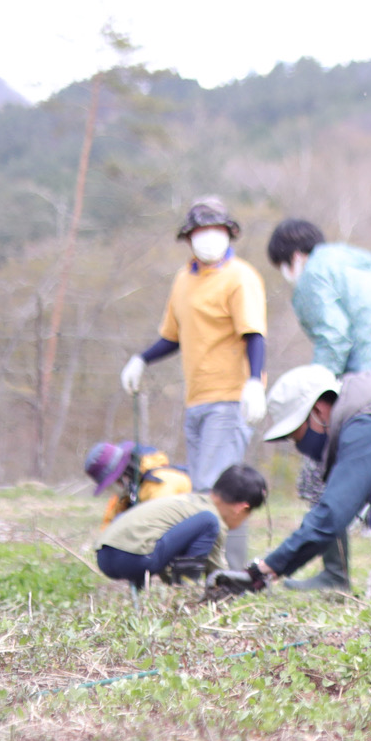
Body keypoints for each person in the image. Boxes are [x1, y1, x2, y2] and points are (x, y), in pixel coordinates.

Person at [266, 218, 371, 589]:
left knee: (320, 470)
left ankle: (335, 575)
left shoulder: (314, 273)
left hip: (368, 388)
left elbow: (333, 336)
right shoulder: (363, 265)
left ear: (293, 257)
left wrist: (316, 390)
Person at [118, 196, 267, 566]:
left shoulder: (240, 277)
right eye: (201, 231)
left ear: (229, 233)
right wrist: (142, 359)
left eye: (215, 230)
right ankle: (210, 567)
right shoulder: (184, 280)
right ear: (189, 237)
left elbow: (253, 334)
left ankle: (228, 571)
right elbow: (174, 335)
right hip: (196, 398)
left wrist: (253, 382)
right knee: (203, 488)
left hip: (230, 397)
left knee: (220, 491)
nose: (208, 238)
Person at [254, 362, 371, 592]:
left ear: (319, 410)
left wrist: (265, 568)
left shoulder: (365, 424)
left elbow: (333, 515)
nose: (298, 445)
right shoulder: (360, 399)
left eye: (296, 434)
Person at [95, 464, 267, 590]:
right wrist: (242, 586)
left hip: (105, 556)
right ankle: (186, 590)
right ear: (242, 508)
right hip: (132, 559)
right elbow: (217, 573)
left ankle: (165, 586)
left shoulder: (188, 501)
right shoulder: (212, 518)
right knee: (208, 521)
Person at [84, 440, 193, 526]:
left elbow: (162, 529)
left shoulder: (162, 483)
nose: (114, 490)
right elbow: (109, 526)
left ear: (123, 475)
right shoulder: (129, 492)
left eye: (112, 484)